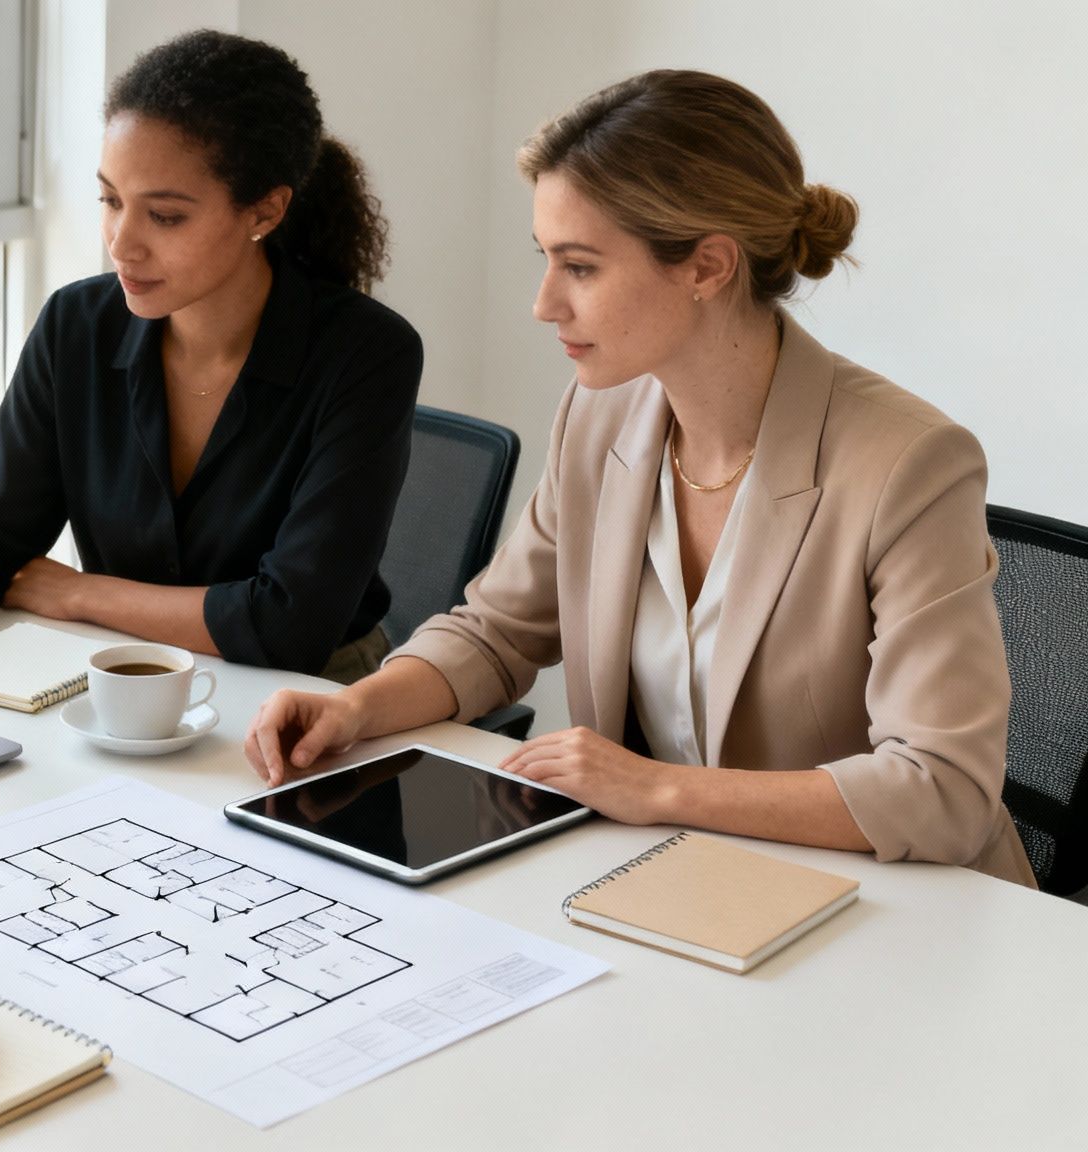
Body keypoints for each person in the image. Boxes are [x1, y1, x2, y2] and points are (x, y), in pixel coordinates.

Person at [245, 70, 1034, 885]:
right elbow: (496, 632)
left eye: (581, 267)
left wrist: (656, 788)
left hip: (889, 907)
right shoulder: (601, 415)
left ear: (707, 266)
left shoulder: (909, 464)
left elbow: (941, 790)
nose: (544, 303)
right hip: (677, 883)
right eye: (547, 260)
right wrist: (356, 708)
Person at [0, 30, 422, 683]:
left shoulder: (367, 354)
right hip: (125, 677)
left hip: (313, 696)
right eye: (111, 200)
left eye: (165, 216)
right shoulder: (77, 326)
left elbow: (289, 625)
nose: (122, 245)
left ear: (265, 211)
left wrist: (80, 594)